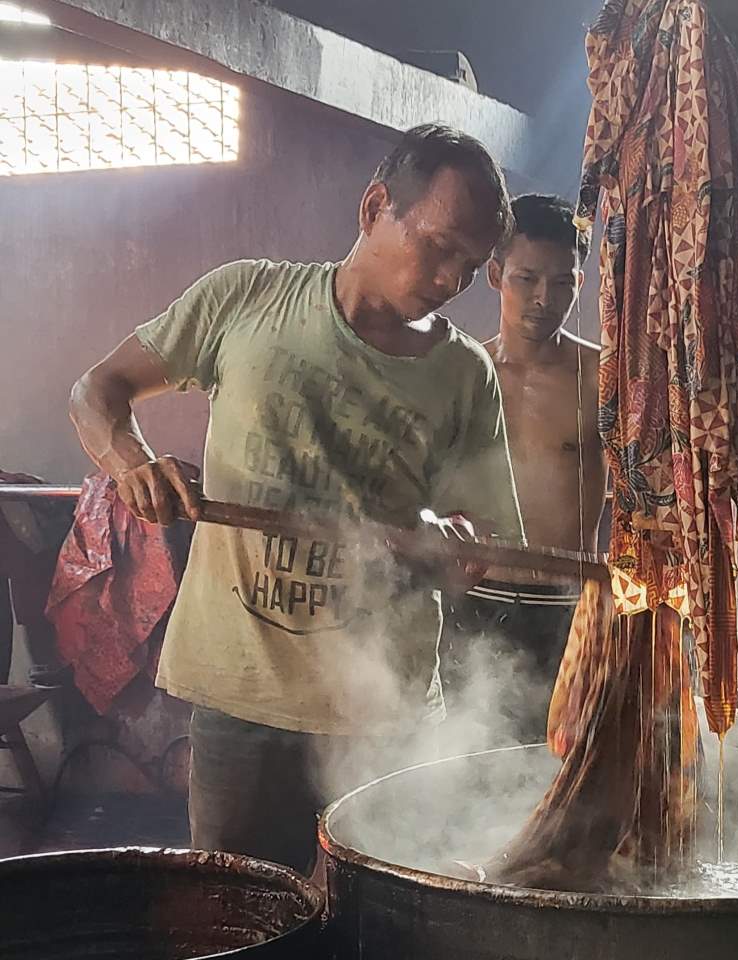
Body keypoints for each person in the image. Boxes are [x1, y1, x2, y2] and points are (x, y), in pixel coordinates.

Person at [68, 124, 525, 875]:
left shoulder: (463, 373)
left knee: (387, 929)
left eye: (472, 267)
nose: (450, 280)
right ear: (375, 206)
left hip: (388, 714)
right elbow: (96, 391)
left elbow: (489, 534)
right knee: (241, 922)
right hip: (242, 698)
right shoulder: (246, 297)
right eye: (440, 248)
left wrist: (452, 539)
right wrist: (130, 461)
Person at [442, 194, 606, 744]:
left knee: (565, 773)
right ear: (495, 274)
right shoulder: (462, 374)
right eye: (527, 279)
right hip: (476, 603)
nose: (544, 299)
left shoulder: (602, 378)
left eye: (562, 282)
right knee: (469, 773)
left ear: (580, 284)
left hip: (568, 606)